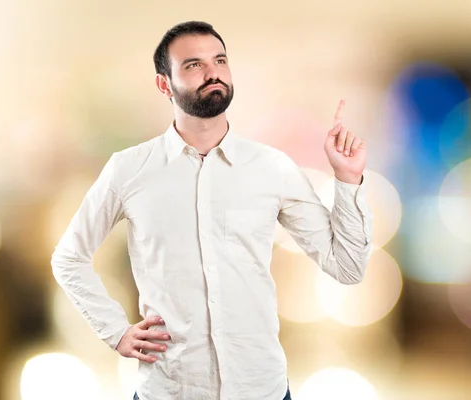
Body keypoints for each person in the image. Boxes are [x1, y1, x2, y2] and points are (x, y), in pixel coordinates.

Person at [51, 21, 372, 400]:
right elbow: (69, 258)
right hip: (168, 390)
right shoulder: (129, 169)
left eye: (220, 60)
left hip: (261, 389)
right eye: (193, 65)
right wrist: (115, 330)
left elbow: (348, 267)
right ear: (164, 85)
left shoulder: (272, 168)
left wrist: (347, 179)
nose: (212, 72)